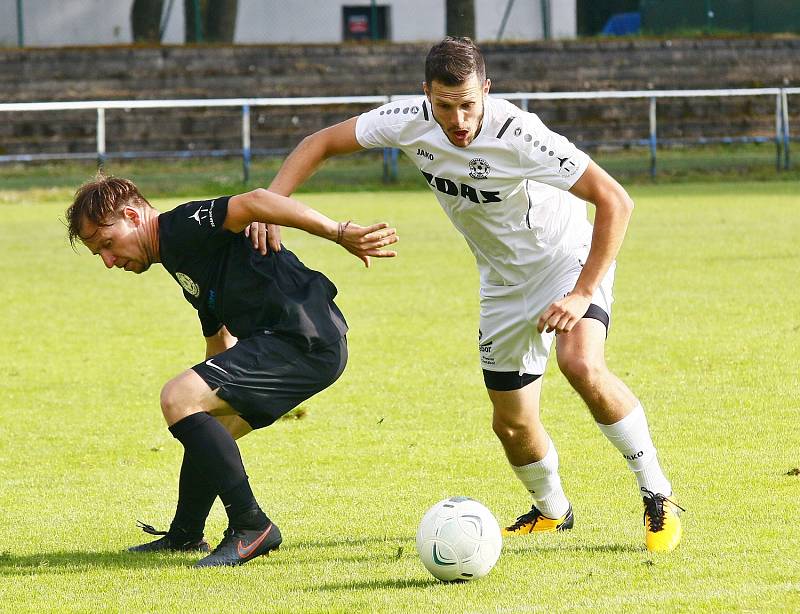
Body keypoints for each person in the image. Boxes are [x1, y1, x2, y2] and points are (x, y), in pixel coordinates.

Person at [263, 37, 683, 553]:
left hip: (567, 263)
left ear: (486, 89)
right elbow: (319, 143)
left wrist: (582, 293)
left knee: (581, 365)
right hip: (503, 284)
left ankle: (656, 494)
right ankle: (552, 512)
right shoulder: (406, 119)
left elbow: (615, 200)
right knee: (511, 423)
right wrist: (270, 205)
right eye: (445, 106)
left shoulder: (521, 134)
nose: (458, 120)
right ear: (426, 95)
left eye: (468, 104)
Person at [65, 175, 398, 567]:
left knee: (178, 397)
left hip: (302, 338)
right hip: (296, 342)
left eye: (107, 243)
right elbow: (218, 341)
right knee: (203, 421)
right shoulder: (177, 257)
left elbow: (256, 200)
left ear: (133, 215)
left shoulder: (183, 225)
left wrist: (338, 232)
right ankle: (185, 535)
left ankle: (251, 525)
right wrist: (205, 397)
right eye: (98, 254)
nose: (108, 260)